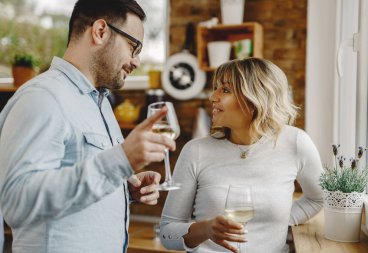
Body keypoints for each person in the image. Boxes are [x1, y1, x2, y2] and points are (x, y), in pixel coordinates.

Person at [0, 0, 175, 252]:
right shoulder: (42, 97)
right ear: (100, 31)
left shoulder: (101, 103)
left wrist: (124, 189)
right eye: (133, 47)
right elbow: (17, 204)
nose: (136, 62)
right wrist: (120, 160)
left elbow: (75, 183)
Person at [160, 58, 323, 253]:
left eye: (225, 90)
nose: (213, 96)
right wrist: (205, 230)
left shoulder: (295, 142)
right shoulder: (195, 151)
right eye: (216, 88)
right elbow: (167, 233)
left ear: (255, 98)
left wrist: (281, 220)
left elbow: (318, 198)